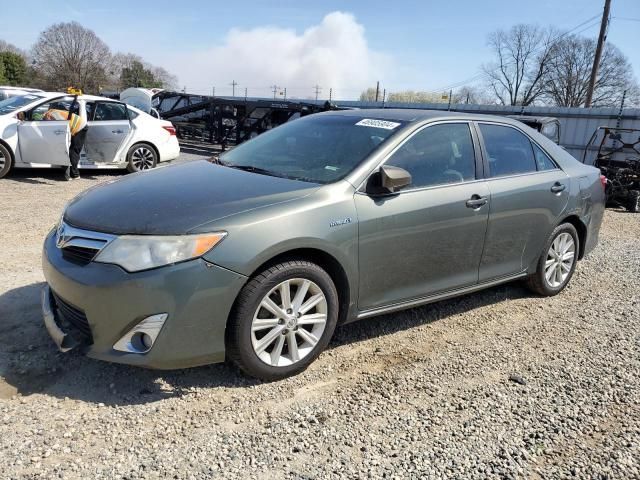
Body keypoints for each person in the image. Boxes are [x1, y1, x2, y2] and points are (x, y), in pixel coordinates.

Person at [43, 101, 88, 180]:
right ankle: (70, 173)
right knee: (69, 150)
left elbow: (63, 125)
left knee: (73, 151)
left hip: (80, 127)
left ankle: (75, 175)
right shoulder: (51, 113)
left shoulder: (51, 114)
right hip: (75, 126)